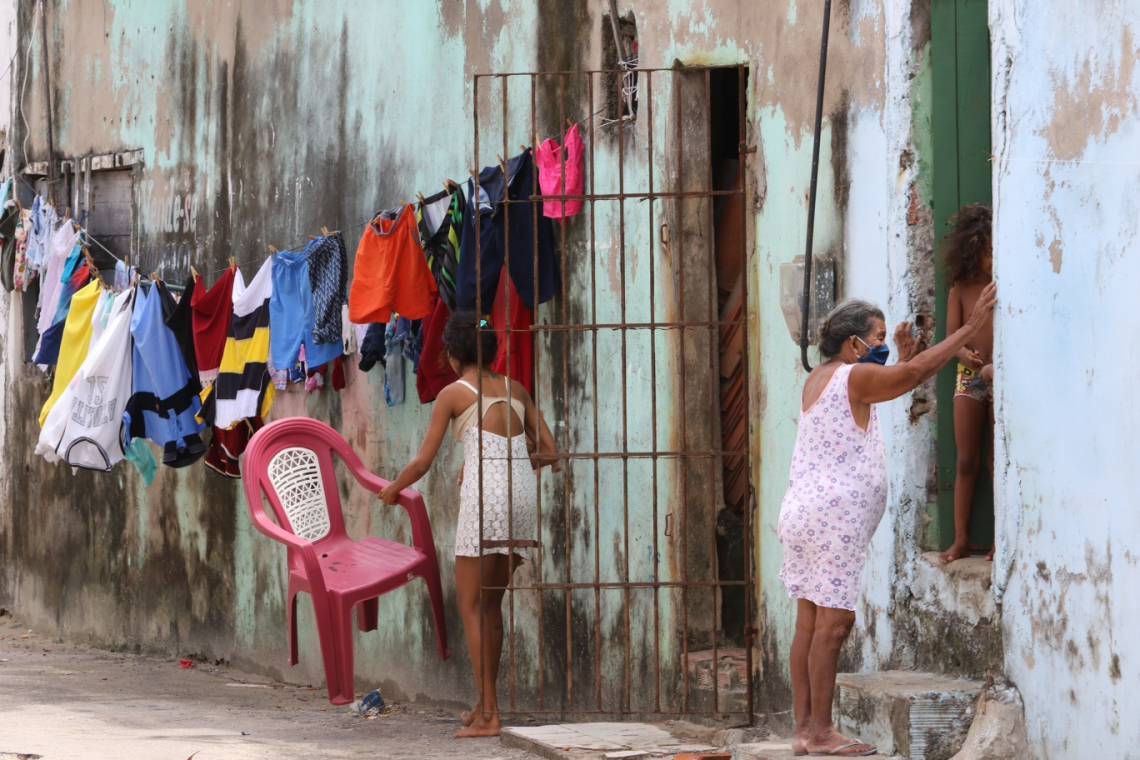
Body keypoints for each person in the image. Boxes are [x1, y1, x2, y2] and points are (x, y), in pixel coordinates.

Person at [779, 286, 997, 757]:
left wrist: (904, 356)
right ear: (853, 343)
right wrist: (970, 327)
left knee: (809, 623)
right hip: (833, 518)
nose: (880, 342)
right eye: (876, 336)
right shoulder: (854, 377)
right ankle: (819, 732)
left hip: (805, 513)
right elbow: (911, 375)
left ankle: (804, 730)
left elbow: (898, 377)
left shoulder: (824, 376)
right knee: (833, 625)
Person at [379, 311, 559, 738]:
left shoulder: (452, 394)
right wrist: (510, 460)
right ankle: (483, 705)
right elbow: (550, 453)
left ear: (453, 355)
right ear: (491, 350)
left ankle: (490, 715)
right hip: (519, 499)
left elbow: (424, 461)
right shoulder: (516, 389)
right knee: (491, 606)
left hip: (485, 501)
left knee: (472, 608)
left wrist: (392, 489)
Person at [939, 204, 995, 563]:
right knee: (966, 460)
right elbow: (951, 338)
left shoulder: (1002, 284)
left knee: (996, 459)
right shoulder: (960, 289)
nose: (993, 257)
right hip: (969, 377)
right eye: (988, 250)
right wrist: (965, 355)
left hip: (1001, 376)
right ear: (975, 250)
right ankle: (960, 539)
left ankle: (999, 540)